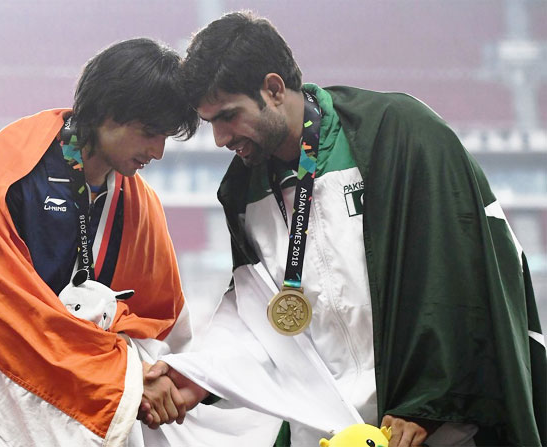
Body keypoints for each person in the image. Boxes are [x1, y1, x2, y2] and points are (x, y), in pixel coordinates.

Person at [144, 11, 547, 447]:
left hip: (428, 430)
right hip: (328, 430)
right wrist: (200, 374)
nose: (220, 138)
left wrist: (426, 403)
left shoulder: (401, 134)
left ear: (274, 89)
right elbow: (260, 313)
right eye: (211, 123)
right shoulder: (243, 191)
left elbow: (463, 273)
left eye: (228, 116)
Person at [0, 38, 199, 446]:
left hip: (92, 397)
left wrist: (157, 381)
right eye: (149, 133)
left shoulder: (141, 204)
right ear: (109, 111)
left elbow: (162, 322)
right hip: (5, 386)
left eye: (165, 137)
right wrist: (125, 381)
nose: (157, 152)